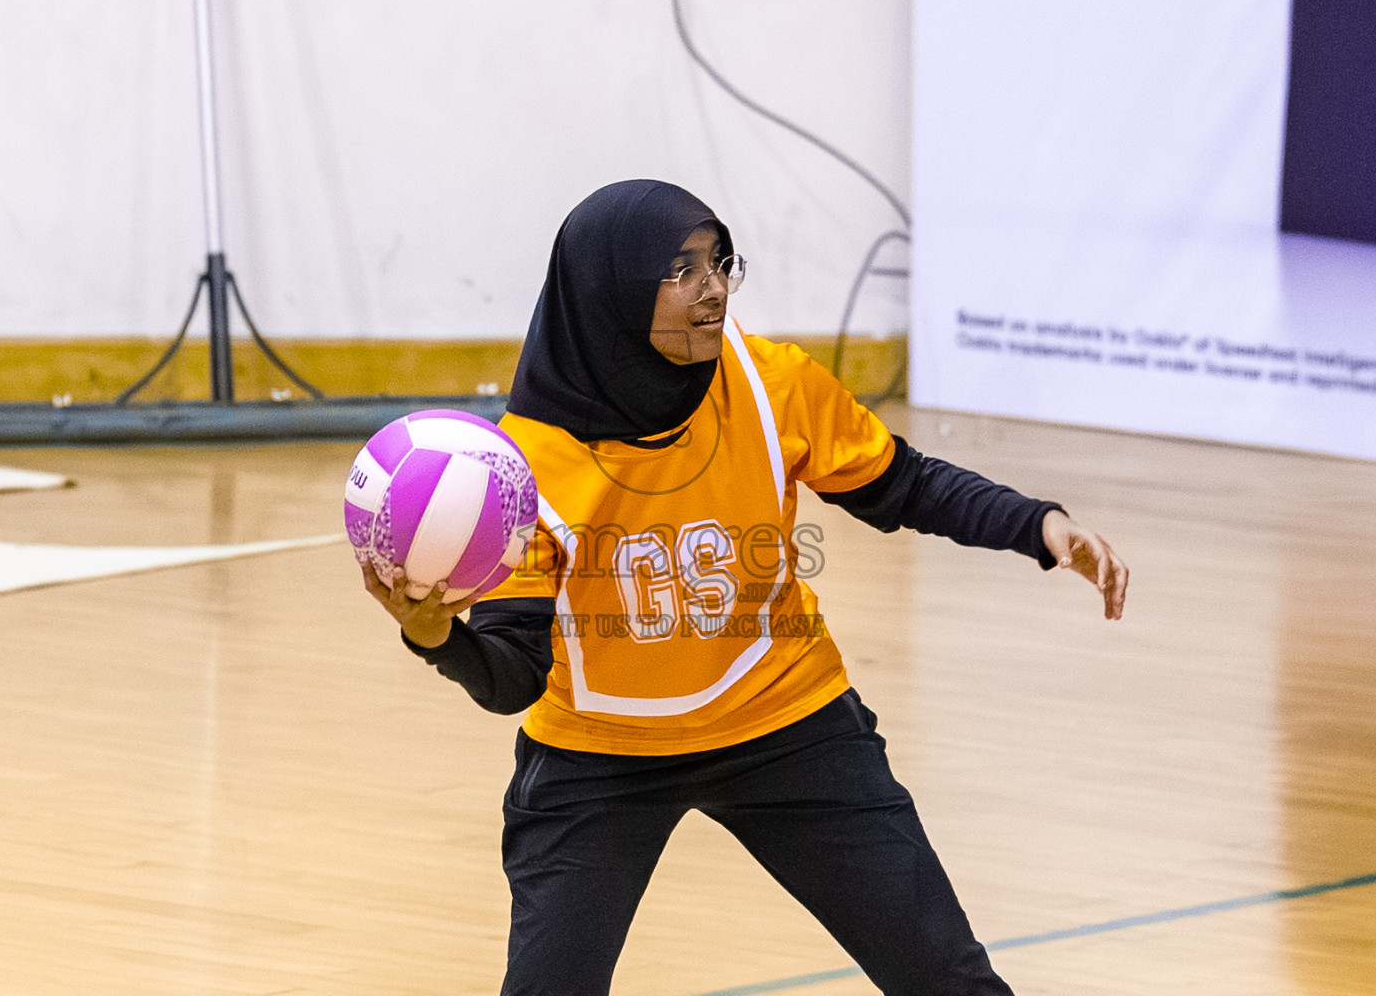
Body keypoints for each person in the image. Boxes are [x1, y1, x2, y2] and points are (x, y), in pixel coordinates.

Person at [362, 180, 1128, 995]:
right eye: (681, 270)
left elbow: (904, 484)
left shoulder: (769, 383)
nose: (715, 287)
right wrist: (436, 634)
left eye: (720, 262)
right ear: (611, 291)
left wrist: (1036, 525)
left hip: (787, 726)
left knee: (946, 977)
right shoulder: (524, 466)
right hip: (600, 760)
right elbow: (514, 677)